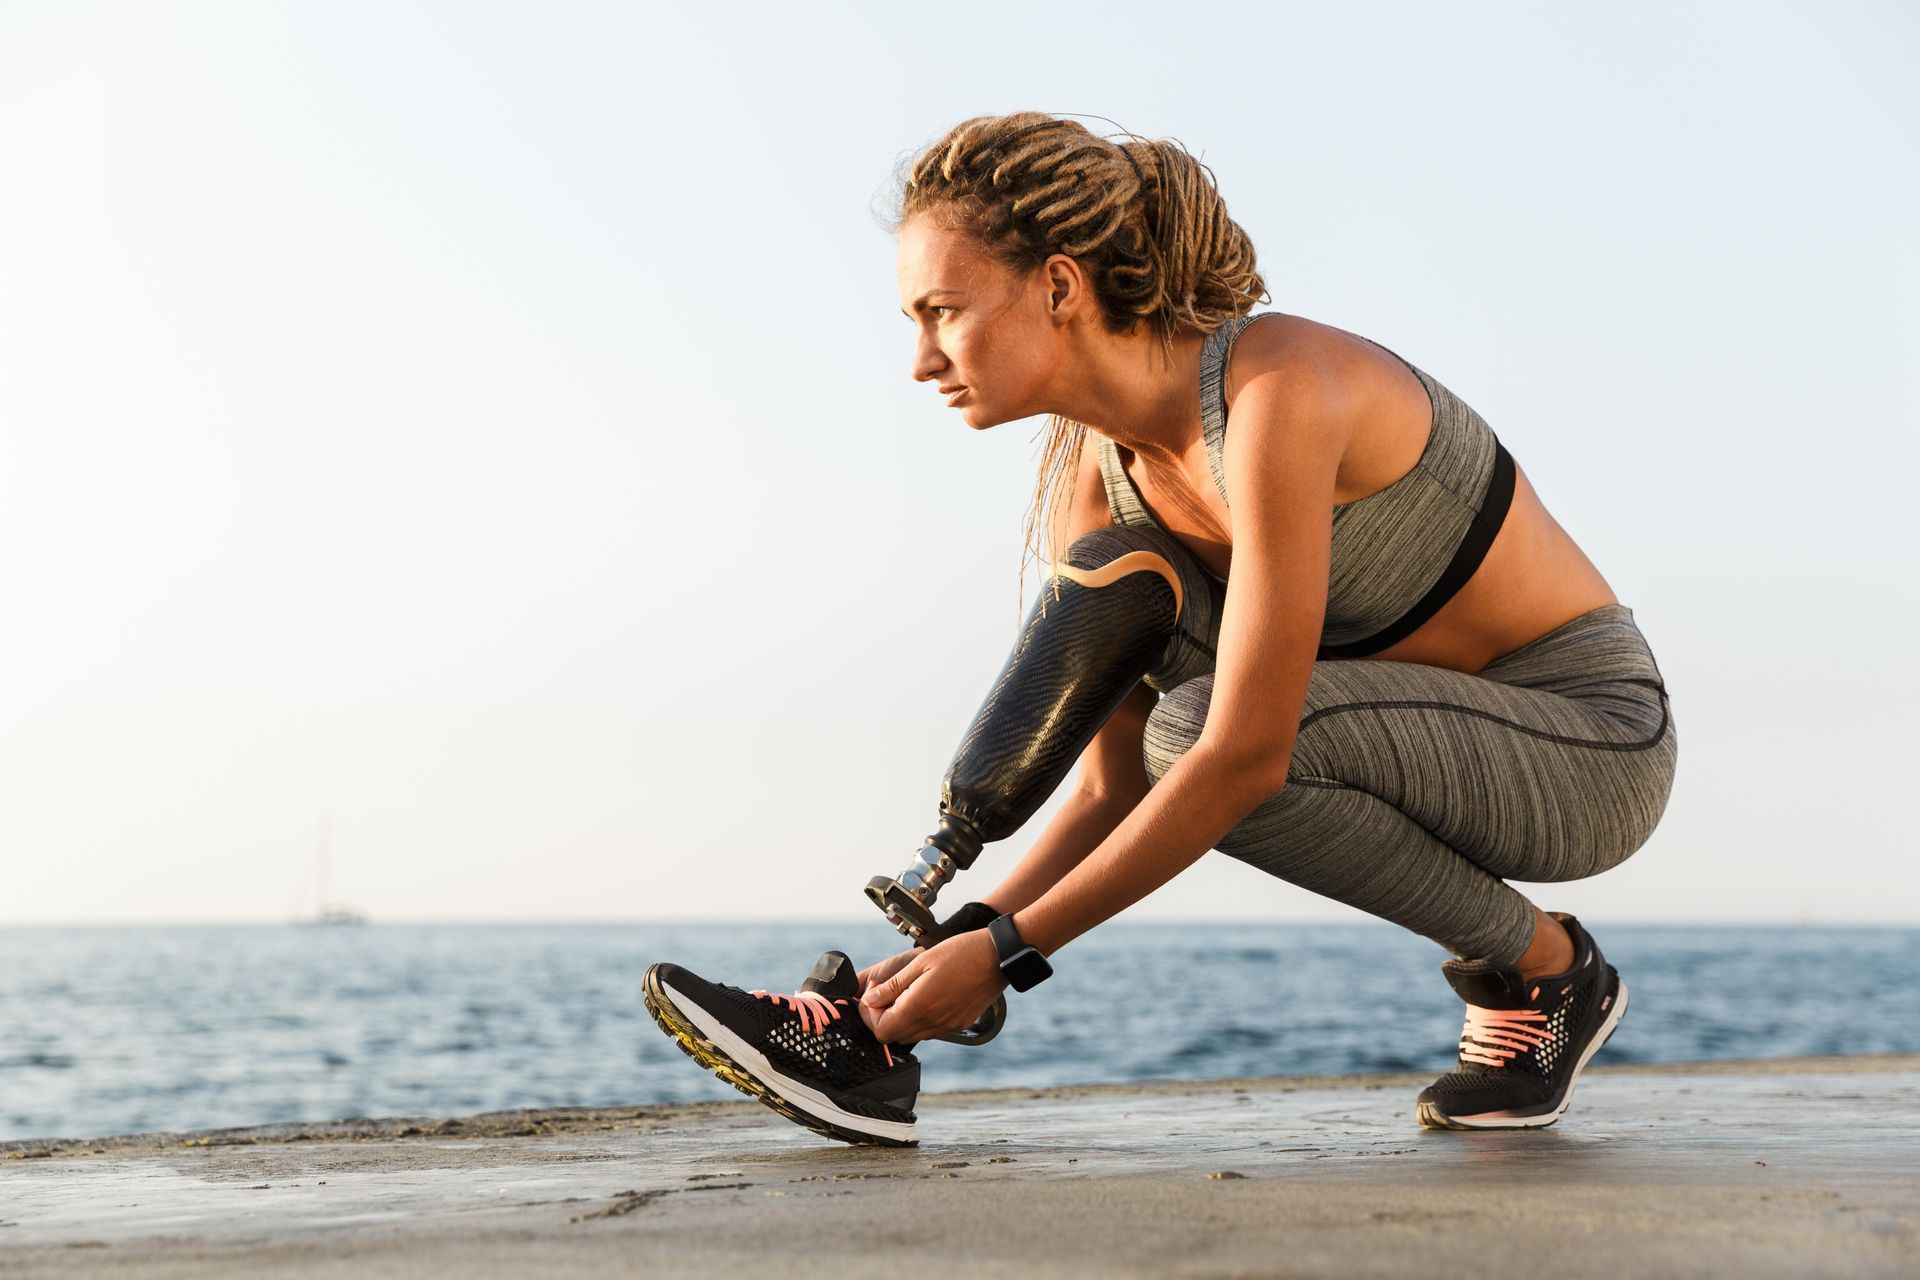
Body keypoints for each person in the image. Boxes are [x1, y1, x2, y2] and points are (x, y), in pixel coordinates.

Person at [642, 111, 1678, 1147]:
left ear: (1058, 286)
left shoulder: (1277, 390)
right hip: (1403, 741)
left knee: (1200, 732)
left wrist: (1005, 953)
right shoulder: (1096, 489)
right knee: (1151, 686)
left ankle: (1550, 973)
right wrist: (952, 950)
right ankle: (873, 1037)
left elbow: (1241, 755)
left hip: (1589, 744)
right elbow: (1111, 782)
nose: (921, 358)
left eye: (942, 311)